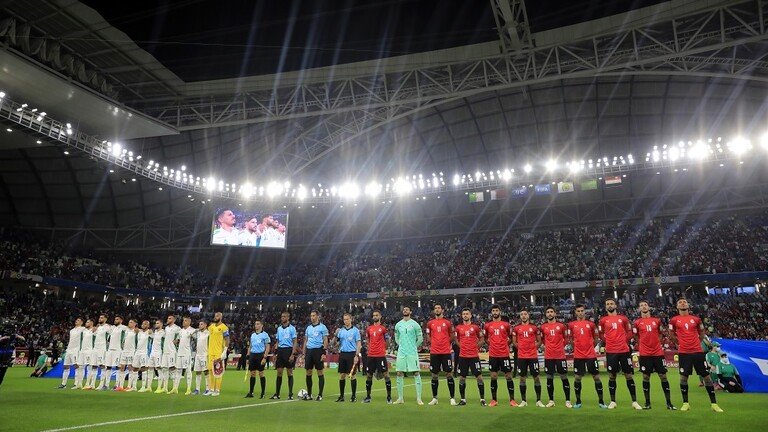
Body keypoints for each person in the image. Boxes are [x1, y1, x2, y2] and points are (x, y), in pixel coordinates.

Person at [668, 298, 723, 412]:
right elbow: (671, 334)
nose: (683, 303)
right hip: (684, 352)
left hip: (697, 352)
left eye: (684, 302)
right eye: (680, 302)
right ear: (677, 306)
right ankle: (686, 403)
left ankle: (714, 404)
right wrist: (679, 343)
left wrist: (698, 341)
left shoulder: (696, 319)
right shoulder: (673, 320)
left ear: (688, 305)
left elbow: (702, 331)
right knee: (683, 378)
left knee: (706, 377)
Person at [599, 298, 642, 410]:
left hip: (624, 351)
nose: (610, 305)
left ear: (615, 305)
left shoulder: (623, 318)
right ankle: (613, 401)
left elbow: (629, 332)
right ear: (605, 307)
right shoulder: (603, 320)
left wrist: (624, 341)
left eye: (611, 303)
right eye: (607, 304)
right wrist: (608, 342)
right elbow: (601, 334)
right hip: (611, 351)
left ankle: (634, 402)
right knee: (612, 376)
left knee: (628, 375)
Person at [633, 300, 675, 410]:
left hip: (657, 353)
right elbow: (636, 336)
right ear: (639, 308)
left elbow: (661, 334)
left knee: (663, 376)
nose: (643, 307)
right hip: (645, 353)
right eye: (641, 305)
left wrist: (657, 343)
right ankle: (647, 403)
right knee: (646, 377)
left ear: (649, 307)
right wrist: (642, 344)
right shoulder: (637, 322)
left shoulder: (657, 321)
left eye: (645, 305)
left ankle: (669, 403)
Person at [567, 305, 606, 409]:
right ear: (575, 312)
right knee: (577, 378)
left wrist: (590, 347)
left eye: (582, 311)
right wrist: (577, 347)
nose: (580, 312)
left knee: (596, 377)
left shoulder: (591, 324)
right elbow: (570, 339)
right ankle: (578, 402)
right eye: (578, 311)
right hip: (578, 356)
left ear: (584, 312)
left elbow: (596, 338)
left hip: (590, 355)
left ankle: (601, 402)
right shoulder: (571, 325)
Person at [484, 305, 516, 407]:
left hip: (504, 354)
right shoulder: (487, 325)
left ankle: (512, 400)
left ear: (500, 312)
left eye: (496, 310)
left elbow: (511, 337)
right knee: (493, 376)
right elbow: (485, 338)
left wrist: (505, 345)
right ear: (491, 312)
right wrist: (491, 345)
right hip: (493, 354)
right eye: (493, 311)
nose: (495, 312)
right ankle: (494, 400)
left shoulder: (506, 325)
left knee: (508, 376)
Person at [425, 303, 456, 405]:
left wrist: (446, 343)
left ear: (442, 310)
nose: (437, 310)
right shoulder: (430, 323)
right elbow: (428, 335)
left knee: (449, 374)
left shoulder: (448, 323)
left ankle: (452, 398)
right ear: (434, 311)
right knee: (434, 375)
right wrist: (433, 343)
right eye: (435, 308)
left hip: (446, 352)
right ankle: (435, 398)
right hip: (434, 352)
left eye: (439, 308)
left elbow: (452, 336)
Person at [540, 306, 571, 408]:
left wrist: (559, 347)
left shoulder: (561, 326)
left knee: (564, 377)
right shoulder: (543, 327)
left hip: (560, 356)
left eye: (551, 312)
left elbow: (566, 339)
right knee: (549, 378)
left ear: (555, 313)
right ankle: (551, 401)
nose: (550, 313)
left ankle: (568, 401)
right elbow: (543, 340)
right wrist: (549, 347)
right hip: (549, 356)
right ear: (546, 314)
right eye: (548, 312)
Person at [455, 308, 486, 406]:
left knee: (479, 377)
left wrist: (476, 348)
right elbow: (456, 340)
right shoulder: (458, 328)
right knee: (462, 378)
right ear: (462, 316)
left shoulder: (475, 327)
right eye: (463, 314)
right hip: (463, 356)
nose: (465, 315)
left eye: (467, 314)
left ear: (470, 315)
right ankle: (463, 399)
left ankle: (482, 399)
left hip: (474, 356)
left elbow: (482, 339)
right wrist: (462, 347)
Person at [512, 309, 542, 407]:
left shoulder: (534, 327)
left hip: (533, 356)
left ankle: (538, 400)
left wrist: (533, 348)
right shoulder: (516, 328)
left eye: (525, 314)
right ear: (520, 316)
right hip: (522, 357)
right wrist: (522, 349)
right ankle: (523, 401)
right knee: (522, 378)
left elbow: (539, 341)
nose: (523, 316)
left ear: (528, 315)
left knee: (536, 378)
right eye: (521, 314)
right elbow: (514, 342)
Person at [394, 306, 423, 405]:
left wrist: (414, 346)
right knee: (399, 373)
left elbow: (420, 338)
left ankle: (419, 398)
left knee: (416, 373)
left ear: (410, 312)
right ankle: (400, 398)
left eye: (407, 309)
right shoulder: (398, 325)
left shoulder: (415, 324)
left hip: (412, 352)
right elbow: (396, 337)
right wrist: (401, 345)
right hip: (401, 352)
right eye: (404, 309)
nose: (405, 310)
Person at [364, 310, 392, 403]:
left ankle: (389, 397)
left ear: (380, 316)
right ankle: (368, 397)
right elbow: (368, 340)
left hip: (380, 355)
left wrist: (384, 349)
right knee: (369, 376)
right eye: (374, 315)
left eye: (376, 315)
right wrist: (370, 348)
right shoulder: (369, 328)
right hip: (371, 355)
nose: (375, 317)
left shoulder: (383, 328)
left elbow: (387, 340)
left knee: (386, 375)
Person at [302, 310, 329, 401]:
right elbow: (306, 340)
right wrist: (303, 353)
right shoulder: (308, 328)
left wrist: (324, 352)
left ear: (318, 316)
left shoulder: (323, 327)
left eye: (314, 315)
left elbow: (325, 340)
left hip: (318, 351)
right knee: (308, 372)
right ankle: (309, 394)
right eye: (311, 315)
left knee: (320, 372)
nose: (312, 317)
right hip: (309, 351)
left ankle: (320, 395)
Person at [271, 311, 297, 400]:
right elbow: (277, 341)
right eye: (282, 316)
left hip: (288, 350)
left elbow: (295, 342)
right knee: (279, 372)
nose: (282, 318)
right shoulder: (279, 329)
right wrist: (275, 353)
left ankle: (290, 394)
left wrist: (293, 354)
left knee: (289, 372)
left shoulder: (292, 329)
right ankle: (277, 394)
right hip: (280, 351)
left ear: (288, 318)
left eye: (284, 316)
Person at [335, 313, 361, 402]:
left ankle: (353, 396)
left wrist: (356, 355)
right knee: (342, 375)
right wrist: (335, 334)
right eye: (344, 319)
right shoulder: (341, 331)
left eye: (347, 319)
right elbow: (335, 343)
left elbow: (358, 343)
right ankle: (341, 396)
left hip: (351, 354)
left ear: (351, 319)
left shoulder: (355, 330)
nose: (345, 321)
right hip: (343, 354)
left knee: (352, 375)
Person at [246, 319, 271, 399]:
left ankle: (263, 393)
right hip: (253, 355)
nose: (256, 325)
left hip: (260, 355)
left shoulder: (265, 335)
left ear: (261, 325)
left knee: (261, 374)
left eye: (258, 324)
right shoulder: (253, 335)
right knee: (252, 374)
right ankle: (251, 392)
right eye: (255, 324)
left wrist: (265, 357)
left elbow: (267, 347)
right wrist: (248, 356)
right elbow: (250, 346)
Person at [207, 311, 230, 396]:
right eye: (214, 316)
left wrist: (225, 351)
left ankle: (217, 390)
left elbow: (227, 339)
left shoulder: (224, 327)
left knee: (218, 371)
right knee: (210, 371)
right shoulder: (211, 326)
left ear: (220, 317)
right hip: (210, 352)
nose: (215, 317)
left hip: (218, 352)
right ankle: (211, 389)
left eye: (216, 316)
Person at [59, 318, 84, 389]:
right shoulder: (72, 330)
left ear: (82, 322)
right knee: (66, 366)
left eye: (78, 320)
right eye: (76, 320)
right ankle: (63, 384)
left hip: (76, 350)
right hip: (69, 349)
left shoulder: (83, 329)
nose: (76, 321)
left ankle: (76, 384)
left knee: (76, 366)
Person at [86, 314, 110, 390]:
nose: (100, 319)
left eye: (102, 318)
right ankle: (92, 384)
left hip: (102, 349)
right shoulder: (97, 327)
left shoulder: (107, 327)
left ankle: (101, 384)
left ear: (105, 319)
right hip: (95, 348)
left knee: (102, 366)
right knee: (94, 366)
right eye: (99, 317)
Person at [158, 315, 180, 394]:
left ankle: (175, 388)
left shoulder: (177, 328)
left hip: (172, 351)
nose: (168, 319)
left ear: (174, 320)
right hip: (165, 351)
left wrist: (178, 339)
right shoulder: (166, 328)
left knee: (172, 369)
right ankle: (165, 388)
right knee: (164, 369)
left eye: (170, 318)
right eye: (167, 318)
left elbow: (181, 335)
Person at [173, 317, 196, 395]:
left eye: (185, 321)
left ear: (189, 322)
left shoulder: (192, 330)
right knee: (178, 370)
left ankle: (188, 389)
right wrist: (175, 341)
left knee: (188, 370)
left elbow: (196, 340)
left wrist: (194, 348)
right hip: (180, 353)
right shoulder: (181, 331)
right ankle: (175, 388)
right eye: (183, 321)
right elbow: (177, 340)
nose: (183, 322)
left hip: (187, 353)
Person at [104, 315, 126, 391]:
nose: (115, 320)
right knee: (108, 367)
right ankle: (106, 385)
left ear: (121, 320)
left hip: (118, 350)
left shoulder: (123, 328)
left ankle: (116, 385)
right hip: (110, 350)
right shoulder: (112, 328)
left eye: (117, 319)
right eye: (115, 319)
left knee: (118, 367)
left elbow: (132, 329)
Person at [117, 319, 138, 391]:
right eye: (129, 322)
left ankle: (129, 386)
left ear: (135, 324)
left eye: (131, 322)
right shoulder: (126, 330)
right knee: (122, 367)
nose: (129, 323)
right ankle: (121, 386)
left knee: (130, 367)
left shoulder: (136, 331)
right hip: (124, 351)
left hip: (131, 351)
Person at [133, 320, 152, 392]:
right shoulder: (139, 332)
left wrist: (151, 331)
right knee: (135, 368)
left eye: (145, 324)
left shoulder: (149, 332)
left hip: (145, 352)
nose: (143, 325)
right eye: (143, 324)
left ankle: (143, 387)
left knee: (144, 368)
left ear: (148, 326)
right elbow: (135, 329)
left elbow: (152, 334)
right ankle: (134, 387)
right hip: (137, 352)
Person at [75, 319, 94, 390]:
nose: (86, 323)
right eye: (86, 322)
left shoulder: (94, 331)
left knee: (89, 368)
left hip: (89, 351)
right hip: (82, 351)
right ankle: (79, 384)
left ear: (91, 323)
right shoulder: (84, 331)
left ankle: (87, 384)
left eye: (88, 322)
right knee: (80, 367)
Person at [146, 319, 164, 393]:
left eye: (158, 323)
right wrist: (150, 333)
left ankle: (159, 387)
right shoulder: (155, 332)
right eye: (156, 323)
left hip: (159, 353)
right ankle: (149, 387)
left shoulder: (164, 332)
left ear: (161, 324)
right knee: (150, 369)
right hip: (152, 353)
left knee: (159, 369)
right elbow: (151, 335)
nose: (156, 324)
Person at [193, 320, 210, 395]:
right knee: (198, 372)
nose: (199, 325)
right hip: (198, 355)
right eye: (199, 324)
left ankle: (208, 389)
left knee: (206, 371)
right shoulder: (198, 333)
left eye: (201, 324)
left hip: (204, 355)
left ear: (206, 325)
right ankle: (197, 389)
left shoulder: (208, 333)